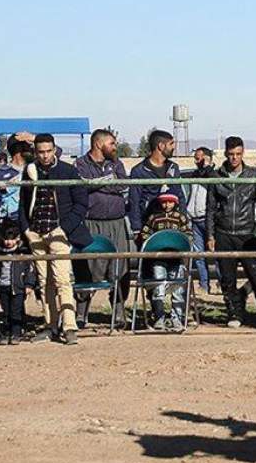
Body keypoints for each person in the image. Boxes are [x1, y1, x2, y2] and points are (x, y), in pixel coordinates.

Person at [19, 134, 92, 345]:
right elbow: (24, 203)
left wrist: (65, 227)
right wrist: (26, 229)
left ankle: (69, 326)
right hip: (36, 232)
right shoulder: (30, 171)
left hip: (58, 232)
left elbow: (81, 203)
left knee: (62, 279)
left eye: (48, 151)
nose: (45, 155)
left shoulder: (68, 171)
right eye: (41, 152)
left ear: (54, 149)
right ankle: (51, 325)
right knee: (44, 281)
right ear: (36, 152)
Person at [206, 136, 256, 329]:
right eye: (231, 154)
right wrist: (210, 235)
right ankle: (234, 314)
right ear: (226, 154)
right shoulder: (217, 177)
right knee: (227, 280)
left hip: (247, 234)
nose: (234, 158)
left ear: (243, 153)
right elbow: (210, 209)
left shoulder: (253, 175)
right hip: (224, 233)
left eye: (238, 154)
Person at [74, 129, 131, 327]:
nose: (115, 147)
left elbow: (122, 185)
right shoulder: (81, 164)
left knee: (120, 266)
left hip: (116, 222)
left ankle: (118, 311)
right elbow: (82, 186)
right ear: (99, 144)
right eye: (112, 143)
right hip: (92, 222)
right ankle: (81, 312)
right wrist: (104, 183)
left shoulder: (116, 163)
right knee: (88, 266)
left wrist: (97, 184)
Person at [137, 193, 192, 331]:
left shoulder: (181, 217)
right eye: (164, 203)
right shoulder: (154, 218)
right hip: (158, 258)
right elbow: (145, 234)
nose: (167, 205)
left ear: (175, 203)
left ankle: (177, 317)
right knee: (158, 287)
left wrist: (183, 245)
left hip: (176, 258)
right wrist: (151, 245)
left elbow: (188, 234)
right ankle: (159, 316)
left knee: (177, 288)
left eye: (170, 202)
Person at [128, 130, 185, 236]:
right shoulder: (139, 171)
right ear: (161, 146)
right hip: (149, 227)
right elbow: (134, 201)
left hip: (173, 226)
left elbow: (180, 196)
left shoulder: (173, 168)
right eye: (171, 144)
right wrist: (136, 229)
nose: (174, 147)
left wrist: (184, 220)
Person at [0, 219, 38, 344]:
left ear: (17, 238)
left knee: (16, 310)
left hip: (18, 286)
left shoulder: (23, 252)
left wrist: (29, 284)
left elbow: (30, 269)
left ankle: (16, 333)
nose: (8, 242)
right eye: (6, 239)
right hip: (3, 286)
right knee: (5, 311)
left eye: (11, 239)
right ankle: (6, 333)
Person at [185, 147, 216, 293]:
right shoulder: (195, 174)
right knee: (199, 255)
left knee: (215, 254)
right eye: (196, 158)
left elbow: (214, 185)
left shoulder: (213, 174)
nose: (196, 161)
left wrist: (208, 167)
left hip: (208, 219)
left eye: (199, 158)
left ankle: (221, 283)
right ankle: (204, 284)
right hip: (195, 219)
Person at [0, 134, 33, 233]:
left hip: (32, 222)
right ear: (18, 149)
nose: (32, 148)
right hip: (11, 224)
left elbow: (57, 152)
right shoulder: (0, 174)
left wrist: (34, 138)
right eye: (29, 145)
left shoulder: (35, 169)